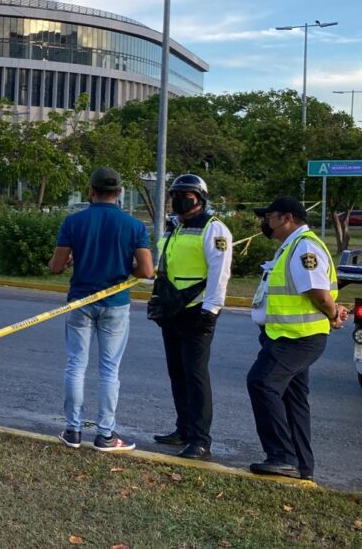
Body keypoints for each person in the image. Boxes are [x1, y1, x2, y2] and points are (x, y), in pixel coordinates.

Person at [48, 166, 154, 452]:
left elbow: (55, 266)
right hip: (115, 305)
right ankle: (105, 435)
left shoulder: (74, 222)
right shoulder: (134, 226)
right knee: (109, 370)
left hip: (80, 302)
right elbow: (146, 270)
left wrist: (73, 262)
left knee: (75, 364)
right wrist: (122, 266)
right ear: (119, 193)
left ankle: (73, 430)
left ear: (91, 191)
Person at [246, 197, 347, 480]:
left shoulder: (304, 247)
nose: (264, 223)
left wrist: (332, 313)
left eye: (268, 217)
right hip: (286, 335)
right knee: (294, 399)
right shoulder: (292, 246)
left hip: (296, 337)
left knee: (262, 383)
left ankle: (282, 457)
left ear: (286, 217)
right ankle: (302, 465)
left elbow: (317, 291)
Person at [148, 174, 232, 460]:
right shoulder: (175, 227)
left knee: (195, 375)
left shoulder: (214, 229)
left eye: (187, 195)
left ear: (200, 198)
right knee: (177, 372)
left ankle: (200, 440)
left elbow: (220, 274)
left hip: (198, 310)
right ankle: (183, 429)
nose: (180, 199)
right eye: (176, 194)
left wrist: (211, 310)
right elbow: (165, 266)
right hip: (173, 309)